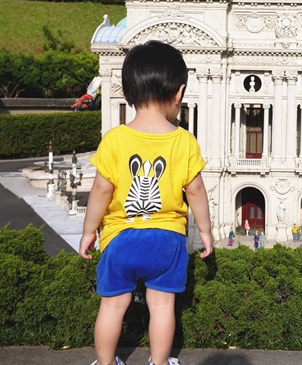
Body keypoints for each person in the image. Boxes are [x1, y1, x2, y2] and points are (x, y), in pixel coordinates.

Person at [79, 40, 214, 365]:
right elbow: (196, 191)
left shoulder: (115, 139)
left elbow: (100, 191)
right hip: (166, 239)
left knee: (112, 306)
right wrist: (207, 232)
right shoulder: (184, 141)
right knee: (163, 306)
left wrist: (88, 231)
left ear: (127, 93)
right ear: (179, 94)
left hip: (120, 238)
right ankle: (159, 361)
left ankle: (106, 363)